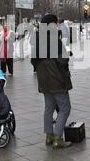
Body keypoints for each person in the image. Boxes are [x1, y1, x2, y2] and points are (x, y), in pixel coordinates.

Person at [31, 14, 73, 149]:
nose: (57, 25)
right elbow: (63, 60)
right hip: (57, 78)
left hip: (43, 79)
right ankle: (57, 138)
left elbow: (33, 61)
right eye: (55, 23)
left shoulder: (36, 39)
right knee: (65, 108)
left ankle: (49, 135)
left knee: (49, 107)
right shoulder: (54, 39)